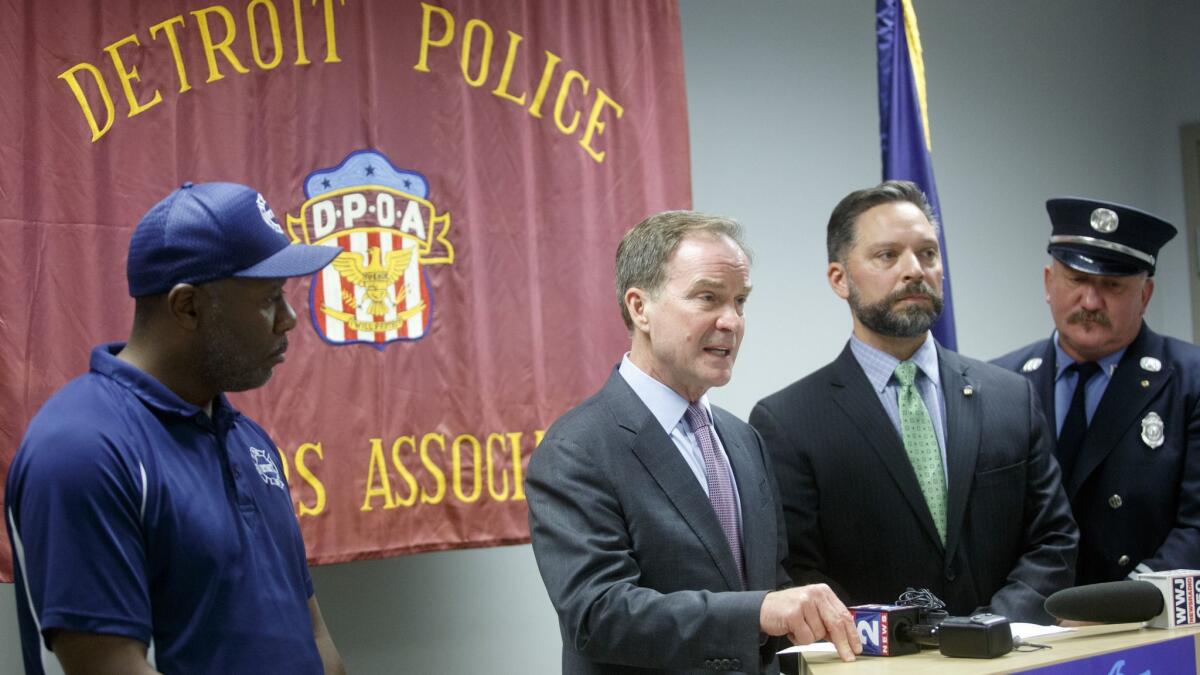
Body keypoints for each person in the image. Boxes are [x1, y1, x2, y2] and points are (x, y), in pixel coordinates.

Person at [5, 182, 346, 675]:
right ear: (187, 307)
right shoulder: (84, 448)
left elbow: (311, 631)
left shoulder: (250, 443)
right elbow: (110, 665)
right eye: (270, 298)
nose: (290, 320)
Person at [525, 211, 861, 674]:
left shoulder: (744, 440)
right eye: (708, 298)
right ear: (640, 308)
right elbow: (596, 613)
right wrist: (758, 612)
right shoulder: (576, 449)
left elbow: (769, 584)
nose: (732, 322)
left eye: (740, 301)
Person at [750, 181, 1078, 624]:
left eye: (927, 253)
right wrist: (903, 643)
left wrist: (988, 630)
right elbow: (799, 570)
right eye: (888, 256)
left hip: (1011, 653)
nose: (915, 270)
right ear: (839, 279)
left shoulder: (1010, 396)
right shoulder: (788, 421)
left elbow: (1054, 538)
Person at [993, 197, 1199, 585]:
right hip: (1029, 621)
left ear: (1145, 296)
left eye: (1112, 285)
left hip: (1144, 617)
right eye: (1077, 279)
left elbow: (1197, 526)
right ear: (1048, 283)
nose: (1090, 301)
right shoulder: (1000, 382)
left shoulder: (1189, 381)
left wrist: (1123, 602)